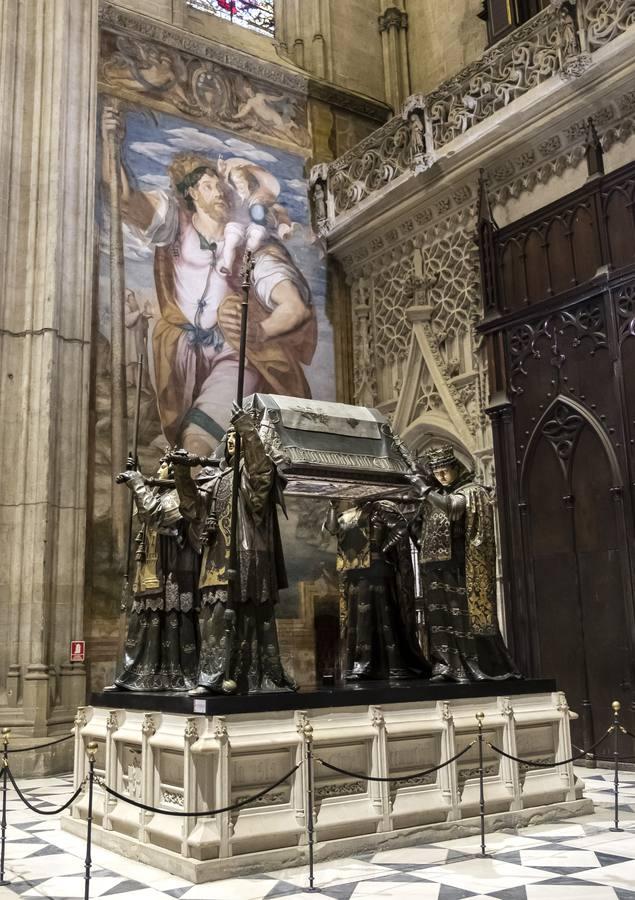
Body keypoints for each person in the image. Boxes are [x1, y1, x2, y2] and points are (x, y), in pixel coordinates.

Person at [101, 107, 317, 458]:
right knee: (181, 440)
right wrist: (111, 145)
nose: (219, 191)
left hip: (235, 352)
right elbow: (125, 200)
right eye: (208, 185)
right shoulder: (175, 225)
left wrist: (258, 332)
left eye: (221, 185)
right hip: (182, 355)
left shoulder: (252, 247)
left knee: (197, 441)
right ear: (191, 195)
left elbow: (294, 307)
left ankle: (209, 506)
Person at [169, 402, 295, 695]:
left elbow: (261, 477)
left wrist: (248, 431)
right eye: (229, 438)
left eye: (236, 437)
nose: (231, 442)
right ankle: (213, 676)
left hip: (249, 553)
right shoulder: (217, 478)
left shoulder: (252, 473)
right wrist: (181, 473)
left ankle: (252, 675)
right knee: (214, 619)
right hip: (217, 560)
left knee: (252, 618)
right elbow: (193, 509)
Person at [410, 445, 521, 684]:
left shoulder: (471, 491)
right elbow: (418, 525)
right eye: (436, 471)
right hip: (433, 566)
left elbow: (452, 508)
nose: (441, 476)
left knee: (460, 616)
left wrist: (424, 489)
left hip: (459, 567)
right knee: (439, 620)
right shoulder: (433, 497)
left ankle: (471, 666)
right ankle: (446, 665)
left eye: (445, 470)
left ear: (455, 468)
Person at [105, 455, 199, 692]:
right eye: (161, 464)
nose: (161, 468)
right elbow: (144, 513)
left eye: (167, 464)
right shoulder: (158, 495)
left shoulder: (181, 497)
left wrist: (138, 483)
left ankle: (175, 676)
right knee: (145, 625)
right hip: (150, 573)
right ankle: (139, 674)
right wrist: (137, 480)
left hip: (173, 573)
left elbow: (155, 515)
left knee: (172, 622)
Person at [323, 499, 432, 682]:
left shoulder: (381, 508)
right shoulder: (347, 515)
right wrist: (332, 507)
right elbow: (332, 529)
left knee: (381, 615)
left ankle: (381, 664)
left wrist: (384, 548)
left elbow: (401, 527)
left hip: (377, 569)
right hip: (354, 570)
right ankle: (360, 663)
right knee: (357, 618)